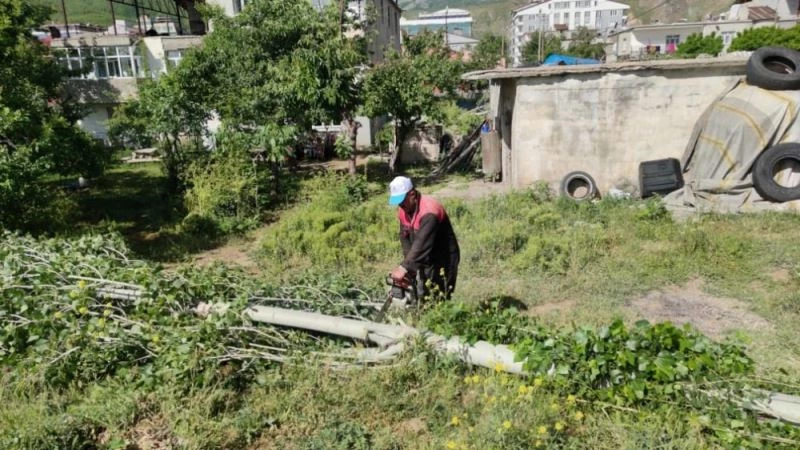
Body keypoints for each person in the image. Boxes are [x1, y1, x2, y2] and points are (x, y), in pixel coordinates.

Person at [389, 176, 460, 300]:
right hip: (424, 256)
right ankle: (422, 311)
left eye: (402, 200)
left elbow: (422, 242)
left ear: (412, 194)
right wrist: (409, 267)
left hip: (444, 257)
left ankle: (441, 317)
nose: (400, 205)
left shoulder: (429, 211)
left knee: (440, 295)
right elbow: (405, 238)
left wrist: (404, 267)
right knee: (423, 291)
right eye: (398, 201)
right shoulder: (404, 210)